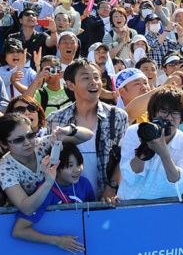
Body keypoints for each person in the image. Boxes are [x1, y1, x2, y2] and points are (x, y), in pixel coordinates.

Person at [45, 59, 127, 203]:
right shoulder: (56, 119)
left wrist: (112, 186)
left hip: (108, 199)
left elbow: (125, 157)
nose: (94, 82)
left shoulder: (118, 116)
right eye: (86, 78)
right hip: (71, 201)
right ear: (70, 85)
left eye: (96, 77)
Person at [118, 86, 183, 201]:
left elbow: (181, 187)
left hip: (163, 211)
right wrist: (144, 147)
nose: (169, 118)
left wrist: (164, 153)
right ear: (153, 113)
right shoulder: (135, 132)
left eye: (175, 113)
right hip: (130, 206)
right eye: (163, 111)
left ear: (182, 118)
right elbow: (129, 178)